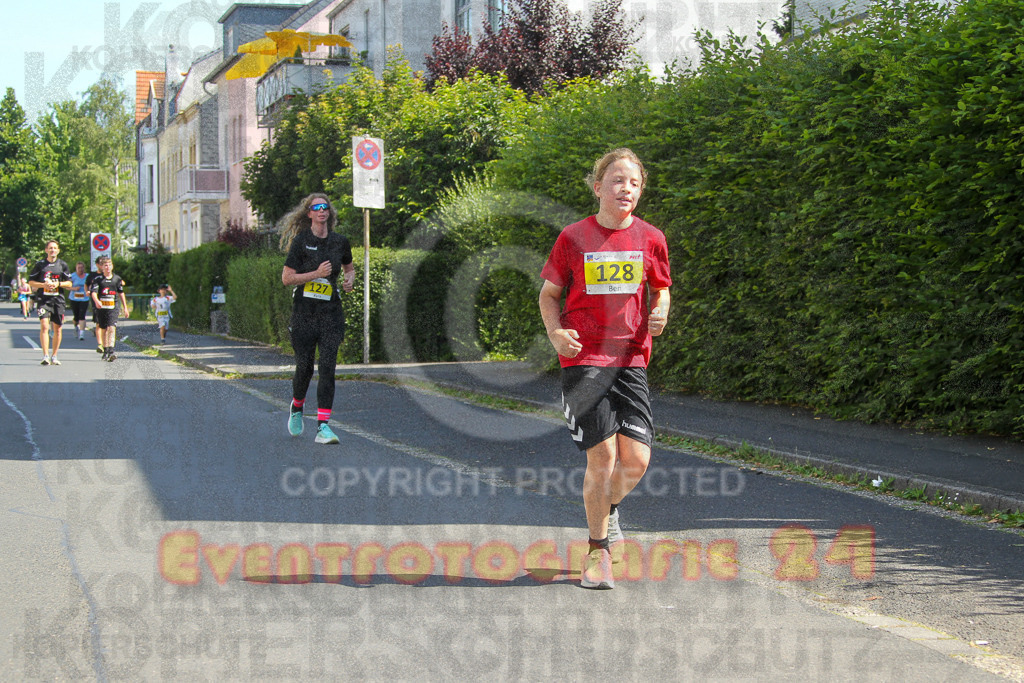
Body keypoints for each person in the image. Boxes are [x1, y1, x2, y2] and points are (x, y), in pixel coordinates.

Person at [538, 148, 672, 590]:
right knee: (605, 455)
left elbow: (661, 289)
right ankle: (598, 551)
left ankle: (606, 510)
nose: (626, 189)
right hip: (583, 359)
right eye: (617, 181)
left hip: (631, 358)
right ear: (598, 187)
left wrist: (661, 311)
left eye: (634, 183)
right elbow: (548, 295)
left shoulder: (651, 238)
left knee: (636, 459)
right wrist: (557, 334)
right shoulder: (574, 237)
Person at [280, 193, 355, 444]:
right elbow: (287, 278)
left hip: (331, 314)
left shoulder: (340, 242)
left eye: (326, 207)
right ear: (309, 213)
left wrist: (349, 281)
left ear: (329, 213)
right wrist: (315, 274)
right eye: (317, 208)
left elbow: (349, 267)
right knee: (304, 368)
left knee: (328, 368)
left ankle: (323, 426)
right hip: (304, 314)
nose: (322, 211)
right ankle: (297, 405)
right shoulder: (301, 242)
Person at [27, 240, 73, 365]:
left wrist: (57, 283)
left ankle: (54, 355)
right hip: (44, 300)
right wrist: (43, 284)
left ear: (58, 250)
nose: (53, 250)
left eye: (55, 248)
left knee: (57, 329)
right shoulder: (40, 265)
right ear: (46, 250)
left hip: (58, 300)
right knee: (45, 326)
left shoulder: (62, 265)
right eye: (50, 248)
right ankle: (45, 355)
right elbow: (31, 282)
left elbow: (69, 283)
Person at [89, 256, 129, 362]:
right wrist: (97, 301)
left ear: (112, 266)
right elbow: (93, 292)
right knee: (104, 328)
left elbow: (121, 293)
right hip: (102, 308)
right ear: (102, 267)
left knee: (111, 328)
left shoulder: (117, 279)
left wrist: (125, 308)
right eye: (105, 265)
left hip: (113, 307)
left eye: (109, 265)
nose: (107, 267)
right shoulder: (98, 280)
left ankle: (111, 351)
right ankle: (105, 349)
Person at [68, 261, 91, 341]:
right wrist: (74, 288)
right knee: (76, 316)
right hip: (74, 298)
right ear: (76, 268)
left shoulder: (87, 276)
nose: (80, 269)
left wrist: (89, 290)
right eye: (79, 268)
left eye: (82, 268)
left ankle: (82, 334)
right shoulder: (72, 276)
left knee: (82, 315)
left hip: (84, 298)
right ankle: (75, 326)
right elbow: (67, 287)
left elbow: (91, 285)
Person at [86, 256, 105, 354]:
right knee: (99, 323)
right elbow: (87, 284)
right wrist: (87, 291)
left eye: (104, 264)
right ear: (97, 265)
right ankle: (100, 344)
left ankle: (108, 345)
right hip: (96, 301)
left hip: (108, 302)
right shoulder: (93, 275)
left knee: (108, 325)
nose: (102, 266)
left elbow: (120, 283)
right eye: (101, 264)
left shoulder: (109, 275)